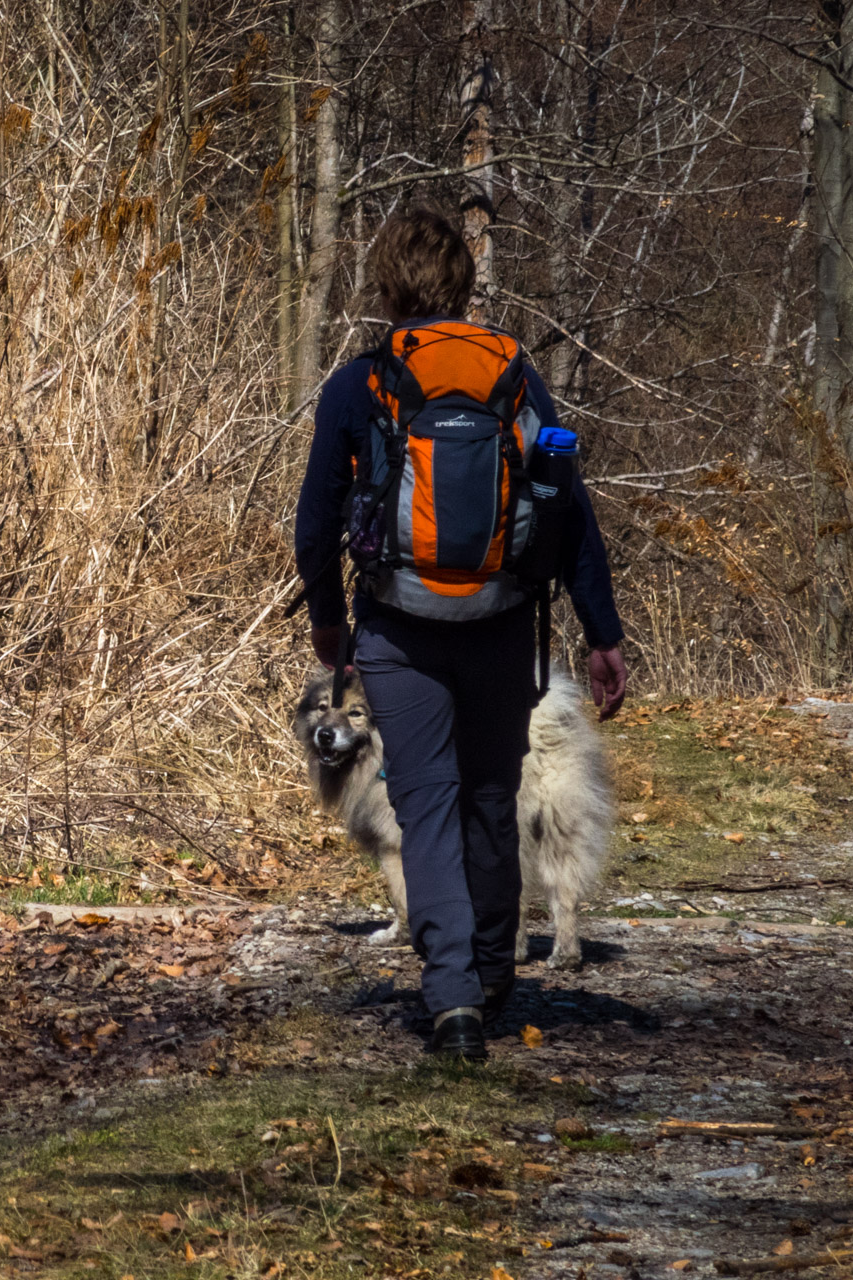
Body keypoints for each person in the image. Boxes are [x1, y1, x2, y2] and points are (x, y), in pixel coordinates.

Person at [292, 207, 628, 1061]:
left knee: (426, 802)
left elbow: (315, 520)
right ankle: (489, 972)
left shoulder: (361, 384)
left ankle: (451, 999)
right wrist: (601, 634)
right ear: (464, 287)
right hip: (503, 619)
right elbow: (570, 507)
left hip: (398, 629)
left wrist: (331, 624)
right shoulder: (516, 376)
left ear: (387, 284)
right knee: (488, 792)